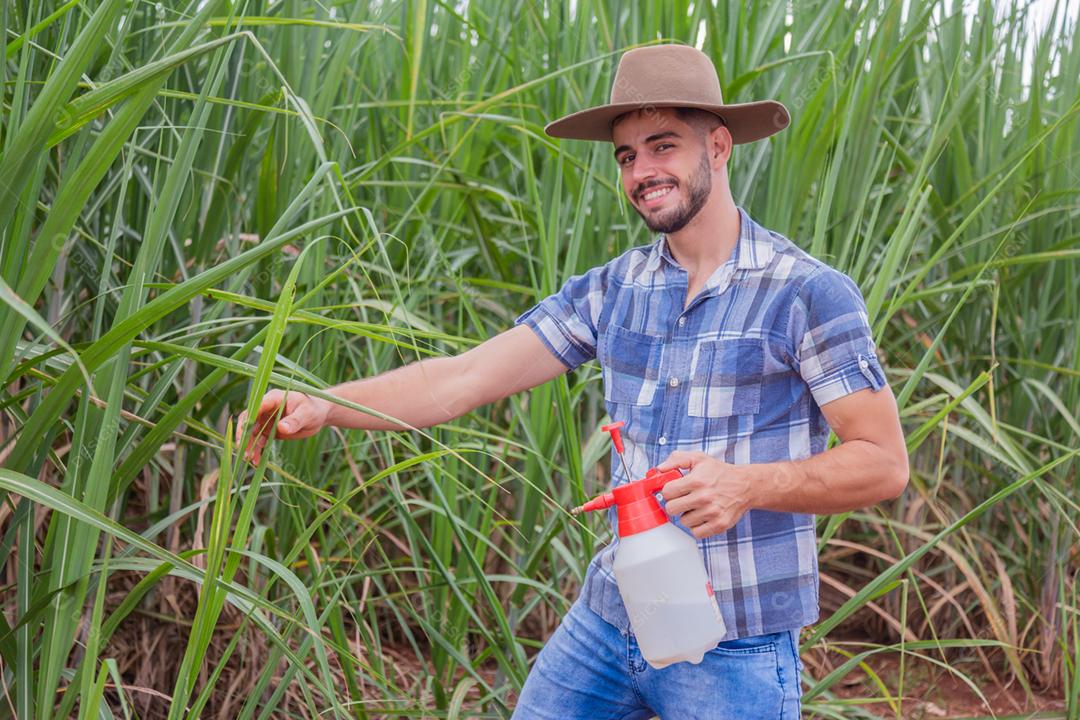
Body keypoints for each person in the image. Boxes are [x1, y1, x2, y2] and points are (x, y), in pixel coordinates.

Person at [239, 44, 908, 720]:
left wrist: (749, 484)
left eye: (662, 146)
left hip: (736, 646)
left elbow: (883, 464)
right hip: (611, 621)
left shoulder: (805, 294)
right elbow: (464, 377)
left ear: (719, 147)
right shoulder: (614, 289)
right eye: (626, 156)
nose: (642, 171)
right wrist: (326, 406)